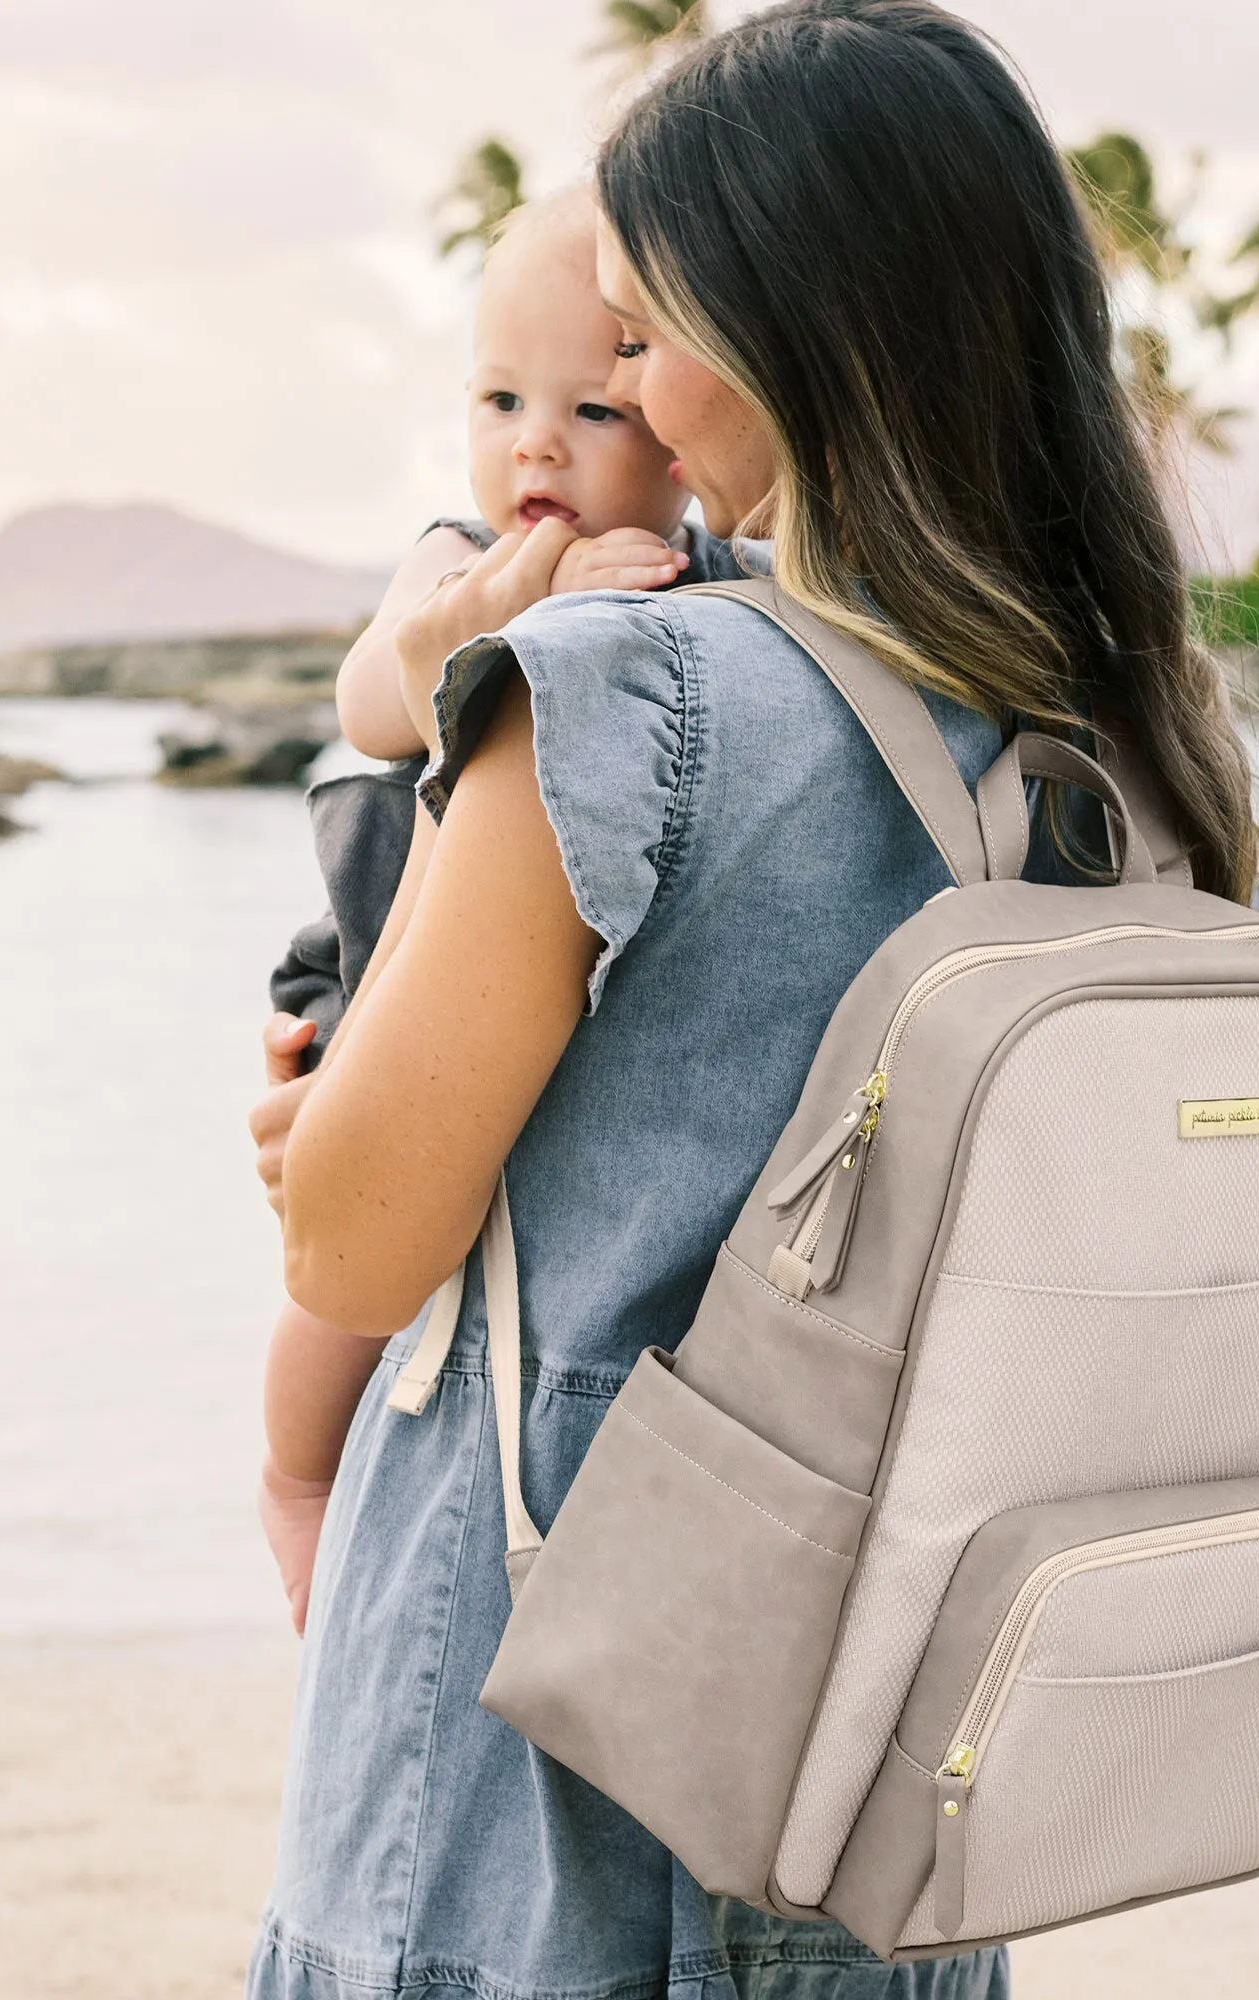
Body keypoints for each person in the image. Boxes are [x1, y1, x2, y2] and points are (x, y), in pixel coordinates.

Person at [246, 3, 1259, 1995]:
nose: (615, 379)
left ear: (762, 327)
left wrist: (327, 1103)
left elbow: (357, 1244)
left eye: (637, 330)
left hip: (526, 1803)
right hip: (889, 1787)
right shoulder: (1120, 745)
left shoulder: (632, 697)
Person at [254, 188, 749, 1632]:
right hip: (371, 947)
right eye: (499, 396)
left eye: (594, 409)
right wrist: (488, 626)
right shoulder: (451, 558)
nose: (535, 442)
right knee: (339, 1286)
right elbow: (369, 698)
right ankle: (292, 1477)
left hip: (524, 1007)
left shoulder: (712, 579)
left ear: (678, 426)